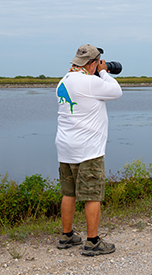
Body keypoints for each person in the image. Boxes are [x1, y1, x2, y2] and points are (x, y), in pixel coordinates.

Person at [55, 44, 123, 256]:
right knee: (92, 195)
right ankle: (92, 242)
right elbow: (116, 91)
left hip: (65, 147)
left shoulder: (63, 81)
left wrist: (98, 71)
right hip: (88, 150)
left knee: (69, 193)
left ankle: (67, 236)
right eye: (98, 63)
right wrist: (104, 72)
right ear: (92, 63)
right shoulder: (90, 81)